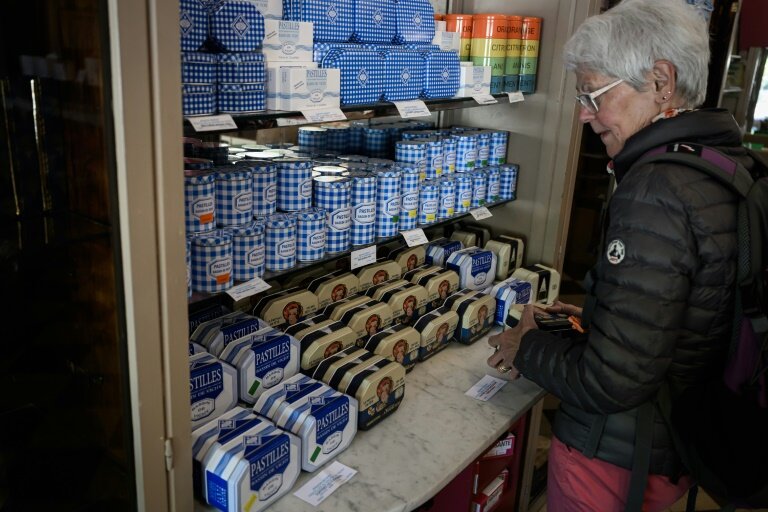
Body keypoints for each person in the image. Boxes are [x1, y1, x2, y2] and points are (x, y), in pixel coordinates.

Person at [487, 1, 752, 510]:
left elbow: (610, 382)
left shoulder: (656, 189)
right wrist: (598, 317)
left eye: (593, 93)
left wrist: (525, 346)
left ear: (660, 81)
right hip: (673, 444)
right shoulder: (722, 164)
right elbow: (689, 310)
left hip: (614, 463)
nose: (583, 113)